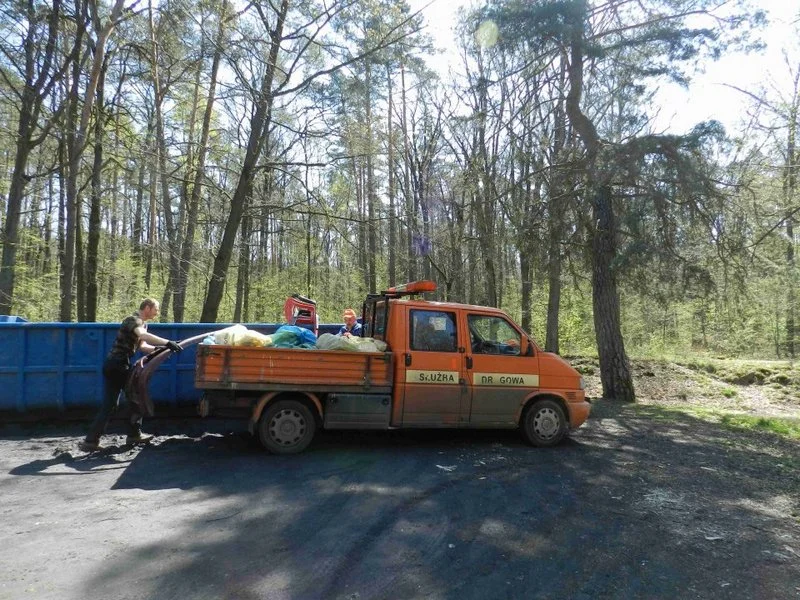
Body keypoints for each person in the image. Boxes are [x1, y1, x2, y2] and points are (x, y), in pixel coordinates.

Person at [78, 299, 182, 452]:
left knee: (111, 405)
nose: (157, 312)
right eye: (156, 309)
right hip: (117, 365)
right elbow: (144, 336)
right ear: (147, 308)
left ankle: (91, 441)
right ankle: (133, 434)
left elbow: (143, 346)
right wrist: (168, 342)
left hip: (115, 364)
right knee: (135, 397)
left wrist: (160, 349)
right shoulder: (133, 320)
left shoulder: (142, 324)